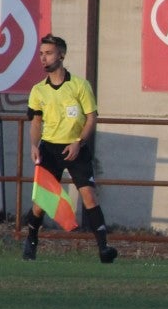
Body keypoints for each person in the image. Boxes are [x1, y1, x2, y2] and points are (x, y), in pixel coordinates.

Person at [23, 34, 118, 263]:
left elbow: (91, 118)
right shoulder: (38, 90)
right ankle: (31, 241)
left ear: (61, 55)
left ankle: (104, 248)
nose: (43, 58)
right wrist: (34, 146)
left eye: (49, 53)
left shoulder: (79, 85)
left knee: (89, 196)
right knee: (41, 203)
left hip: (76, 148)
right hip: (50, 150)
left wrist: (79, 143)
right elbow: (36, 122)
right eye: (41, 54)